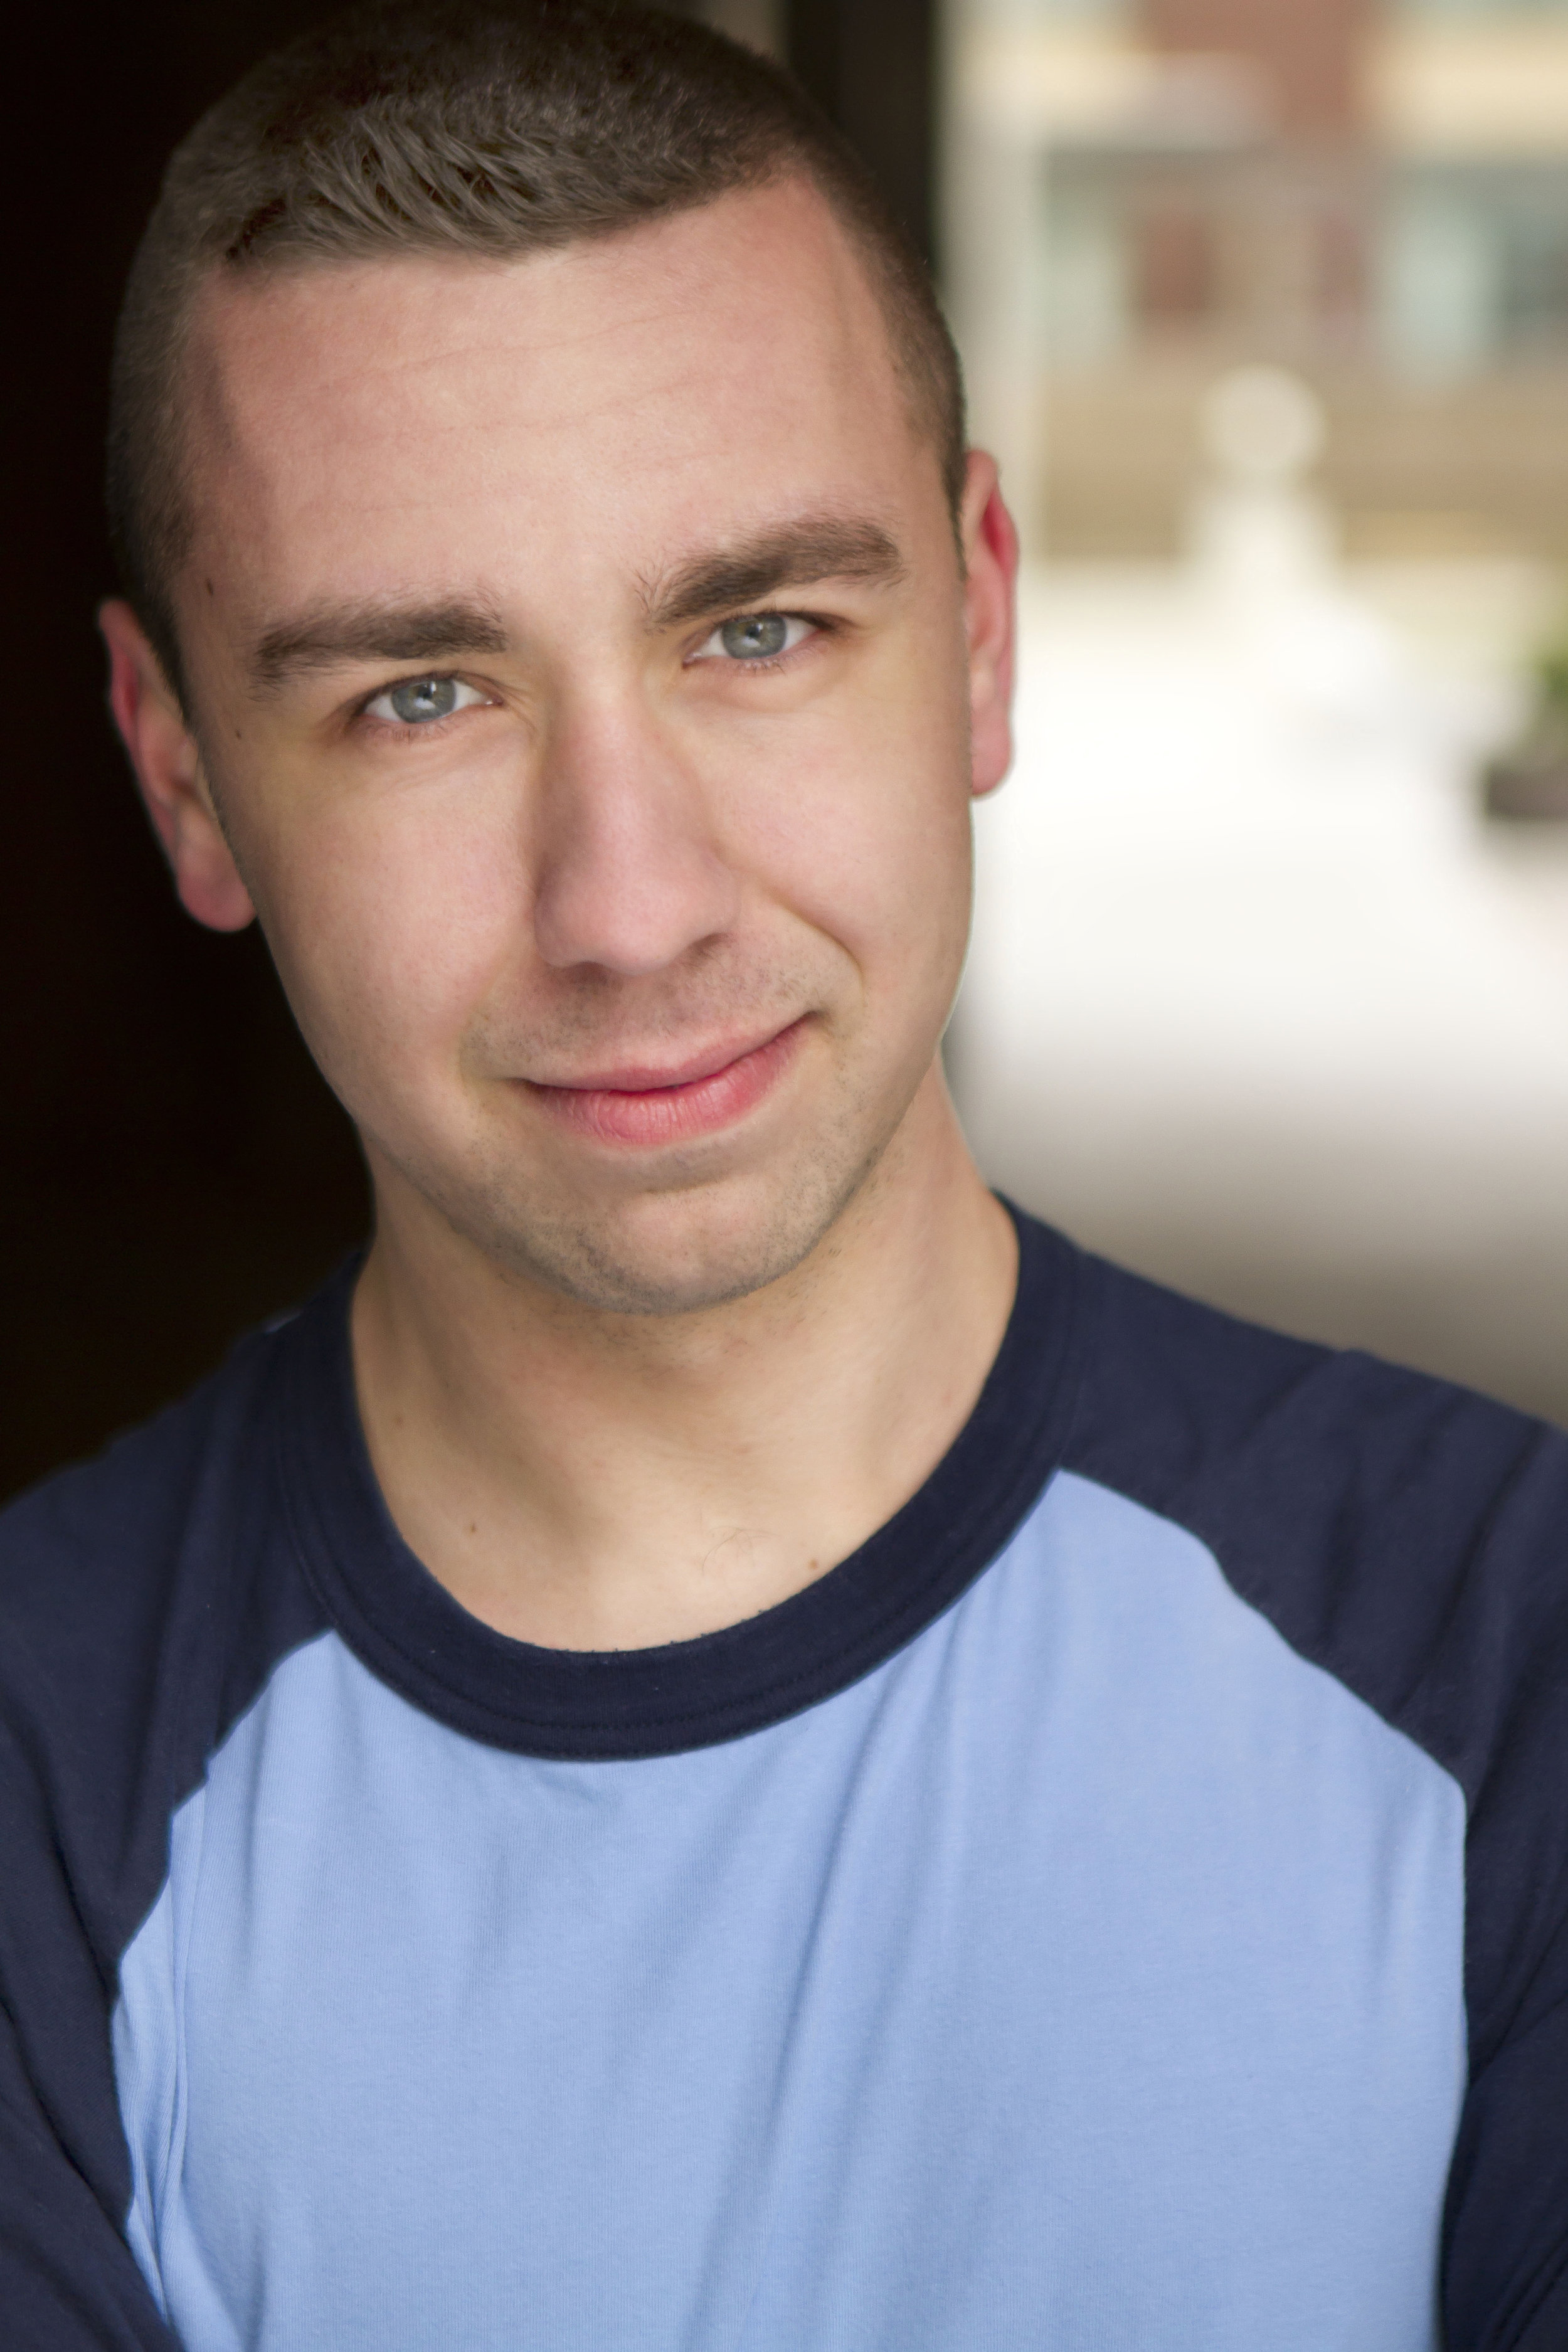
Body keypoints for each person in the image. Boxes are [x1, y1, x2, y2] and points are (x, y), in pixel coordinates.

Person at [3, 3, 1565, 2344]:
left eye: (757, 630)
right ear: (186, 778)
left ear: (980, 629)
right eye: (419, 695)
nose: (628, 905)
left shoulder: (1506, 1650)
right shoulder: (33, 1771)